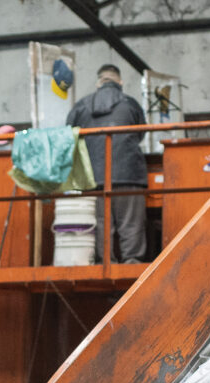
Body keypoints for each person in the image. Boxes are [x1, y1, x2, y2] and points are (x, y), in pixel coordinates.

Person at [66, 64, 148, 264]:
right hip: (129, 172)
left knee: (101, 223)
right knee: (131, 222)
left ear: (98, 82)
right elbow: (141, 133)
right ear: (119, 82)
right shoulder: (130, 104)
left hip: (93, 175)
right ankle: (132, 261)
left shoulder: (81, 105)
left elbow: (69, 136)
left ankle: (106, 262)